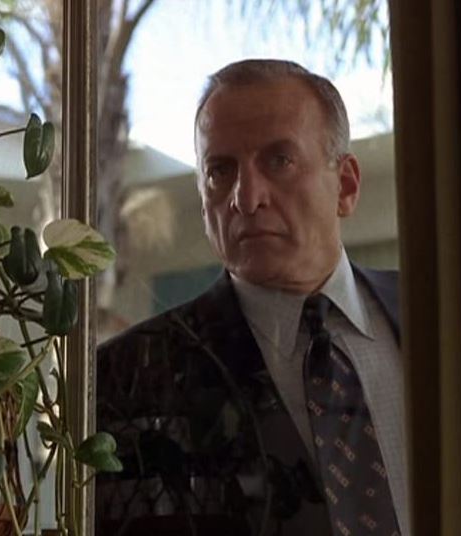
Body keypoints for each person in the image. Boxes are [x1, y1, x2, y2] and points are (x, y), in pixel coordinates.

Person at [96, 59, 407, 536]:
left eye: (279, 161)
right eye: (220, 170)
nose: (246, 197)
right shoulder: (128, 375)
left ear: (345, 185)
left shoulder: (448, 319)